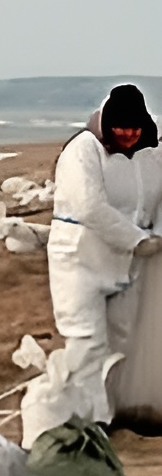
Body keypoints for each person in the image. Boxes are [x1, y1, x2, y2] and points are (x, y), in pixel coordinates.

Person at [49, 84, 162, 423]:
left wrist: (155, 235)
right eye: (119, 126)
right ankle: (94, 421)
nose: (127, 133)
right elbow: (90, 206)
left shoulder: (149, 153)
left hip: (128, 264)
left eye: (134, 126)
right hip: (80, 261)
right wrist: (138, 240)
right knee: (86, 342)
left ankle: (121, 408)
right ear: (106, 124)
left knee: (122, 338)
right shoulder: (83, 151)